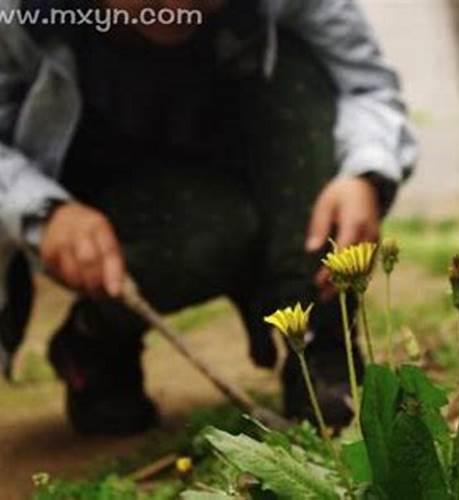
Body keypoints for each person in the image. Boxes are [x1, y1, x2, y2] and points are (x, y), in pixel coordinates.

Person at [0, 0, 417, 435]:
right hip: (121, 194)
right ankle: (96, 339)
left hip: (250, 156)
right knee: (209, 235)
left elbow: (366, 85)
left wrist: (365, 175)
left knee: (304, 56)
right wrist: (44, 211)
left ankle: (320, 340)